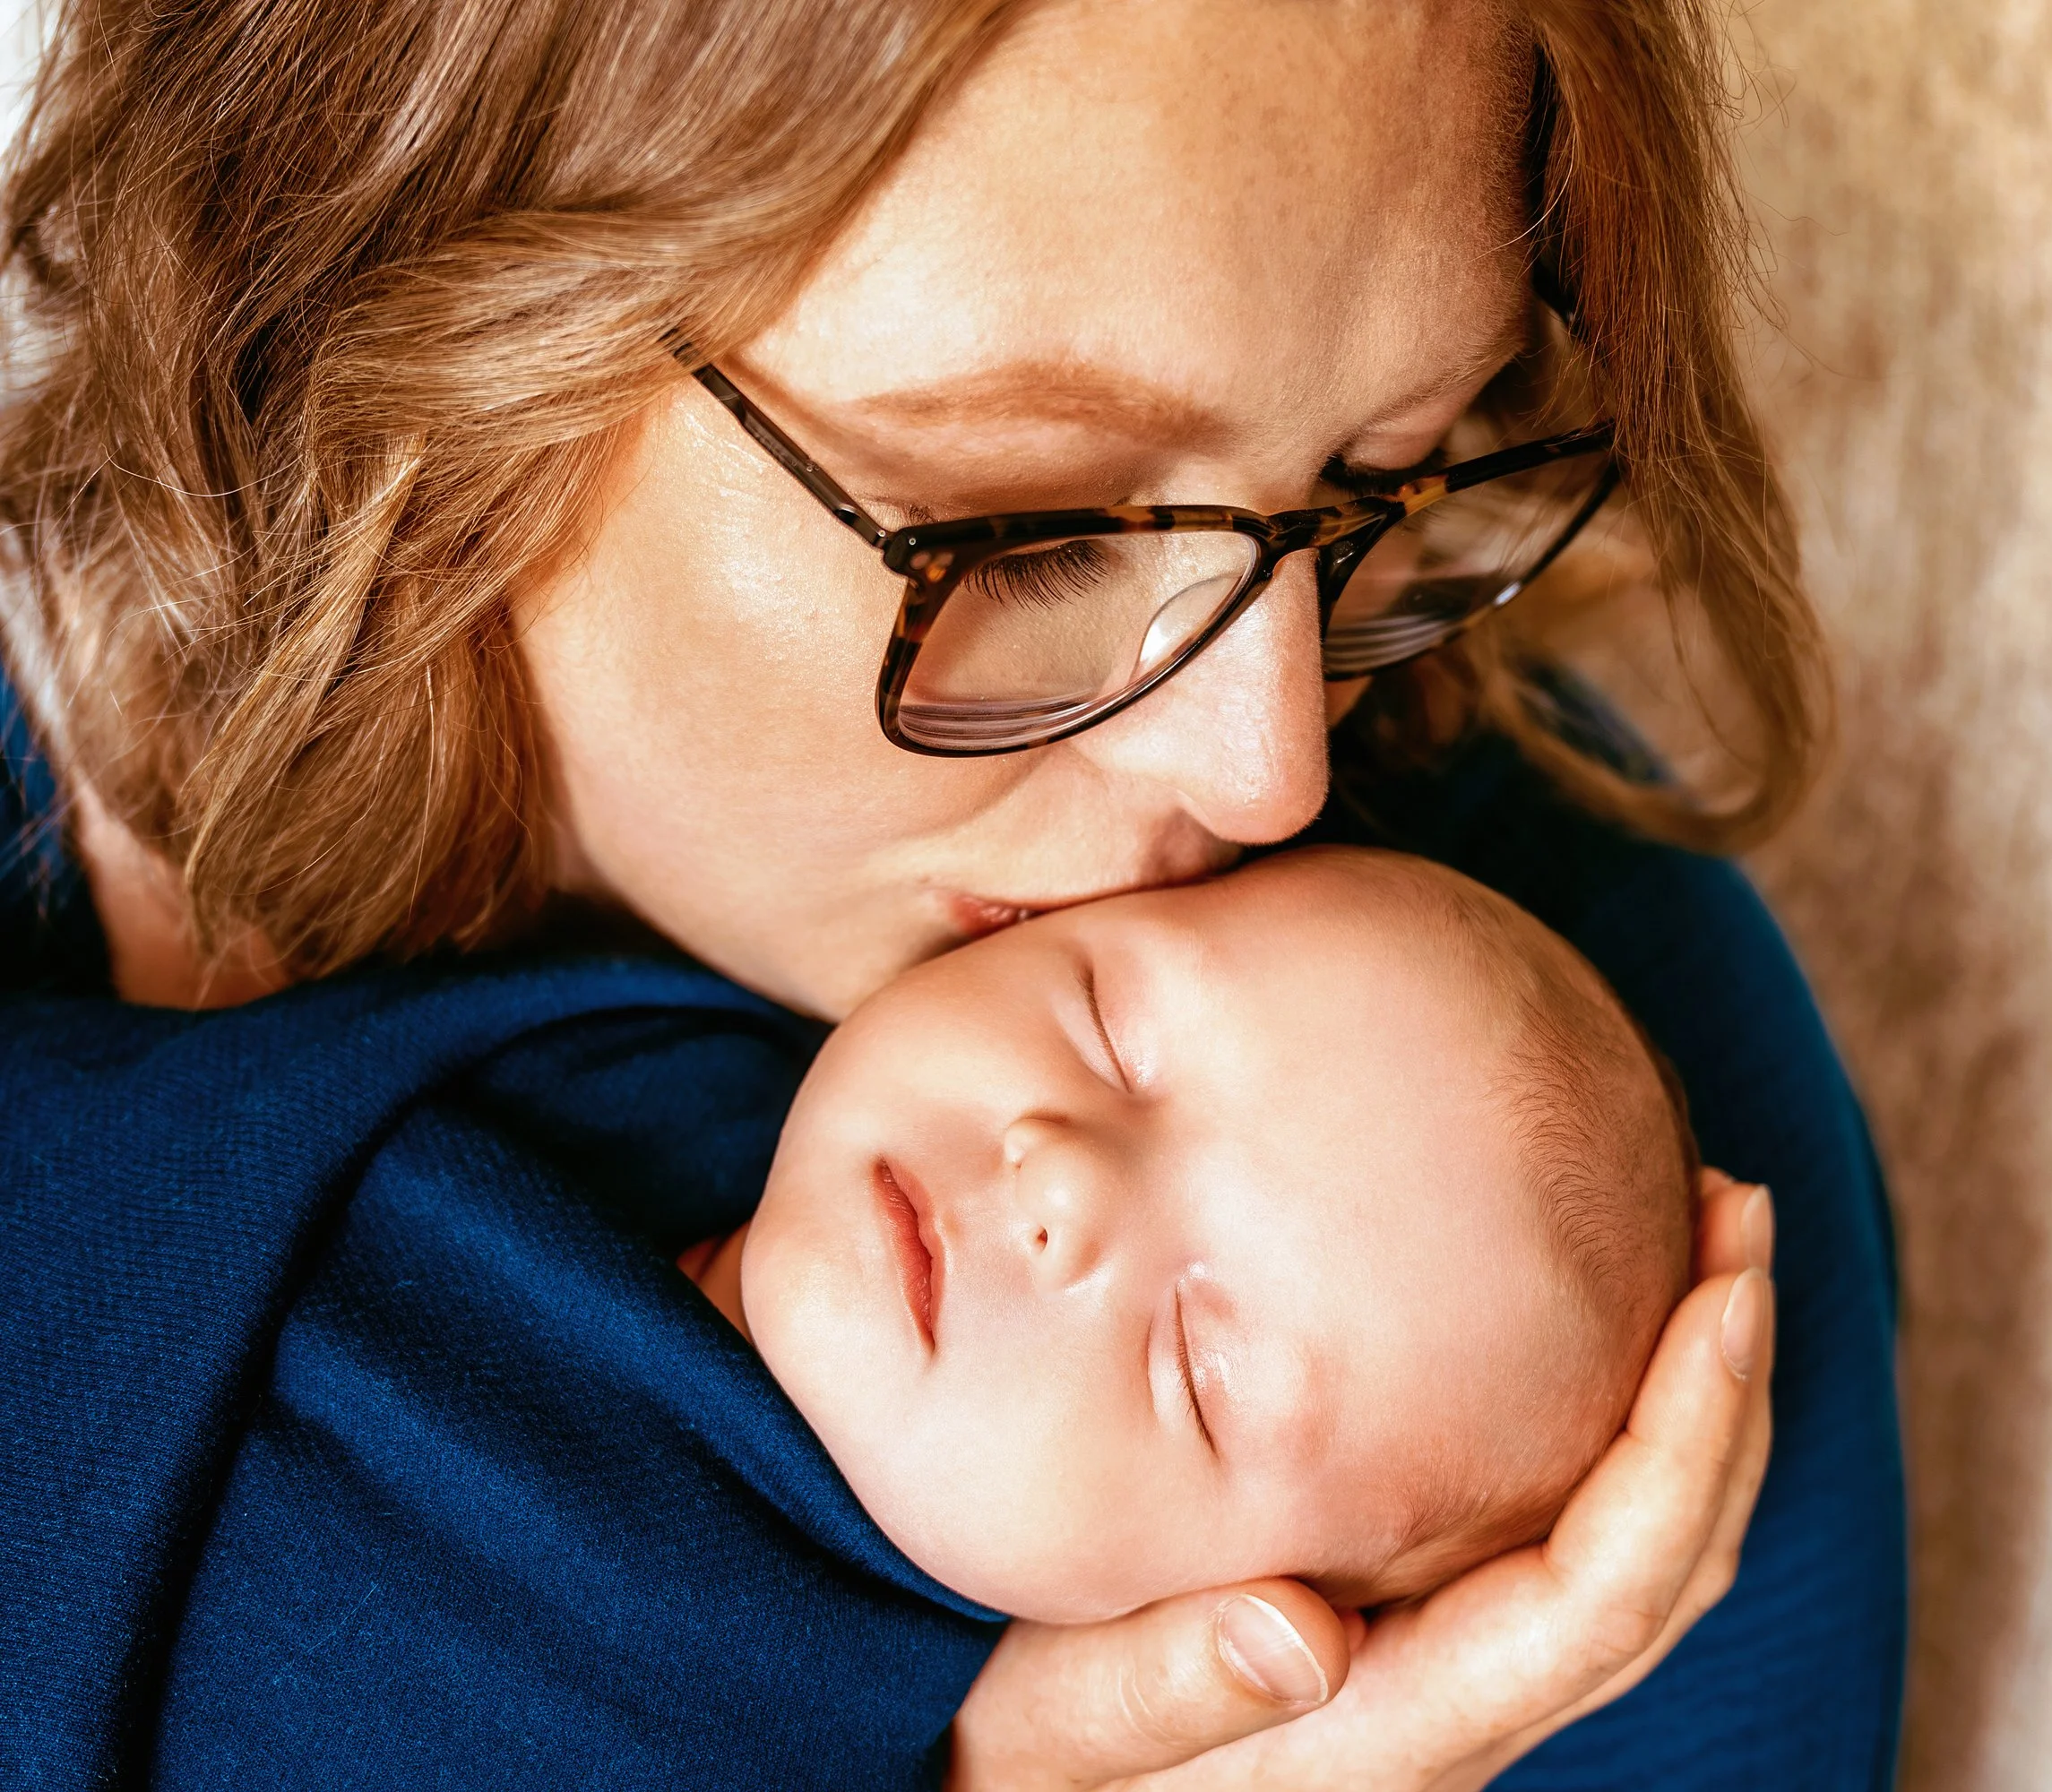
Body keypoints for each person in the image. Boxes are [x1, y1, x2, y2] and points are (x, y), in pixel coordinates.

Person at [0, 1, 1905, 1787]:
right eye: (1038, 533)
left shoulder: (1559, 1209)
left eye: (1371, 481)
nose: (1271, 769)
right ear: (424, 294)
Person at [688, 846, 1703, 1628]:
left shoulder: (743, 1708)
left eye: (1192, 1363)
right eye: (1106, 1028)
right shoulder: (678, 997)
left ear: (1215, 1620)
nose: (1066, 1182)